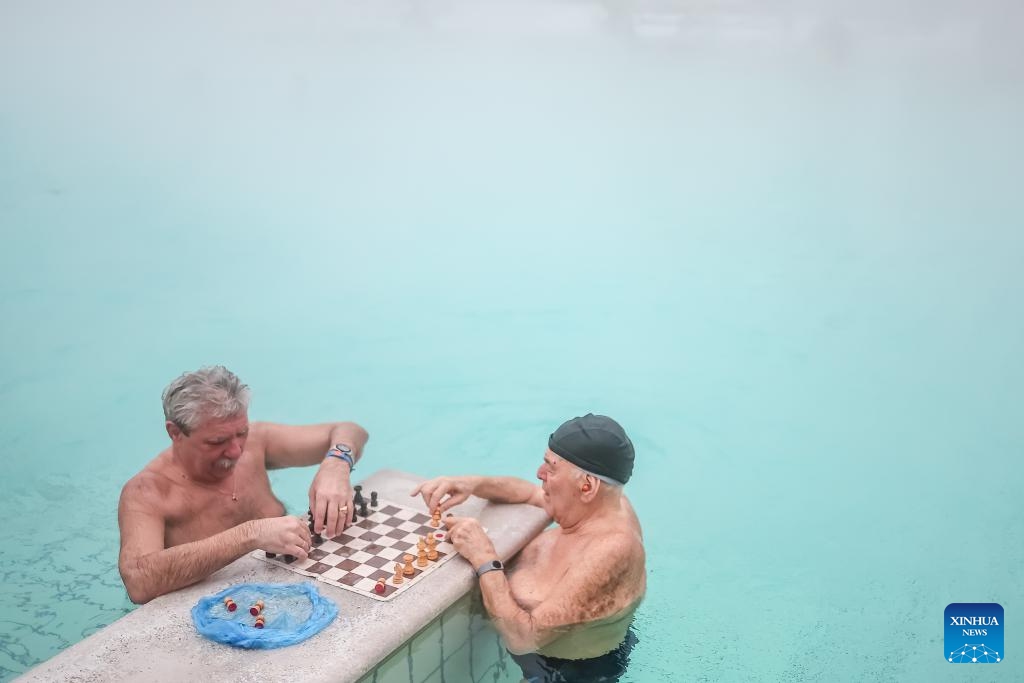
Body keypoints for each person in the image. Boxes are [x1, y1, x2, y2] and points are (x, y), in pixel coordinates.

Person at [411, 414, 645, 682]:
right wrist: (472, 484)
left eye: (551, 468)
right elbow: (530, 493)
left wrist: (485, 557)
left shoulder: (609, 550)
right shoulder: (602, 504)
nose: (539, 474)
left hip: (566, 673)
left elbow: (524, 638)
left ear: (587, 486)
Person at [117, 366, 369, 604]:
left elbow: (351, 430)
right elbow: (138, 582)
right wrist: (249, 535)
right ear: (175, 433)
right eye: (217, 441)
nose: (236, 450)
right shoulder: (148, 492)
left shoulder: (257, 441)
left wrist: (336, 464)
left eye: (241, 433)